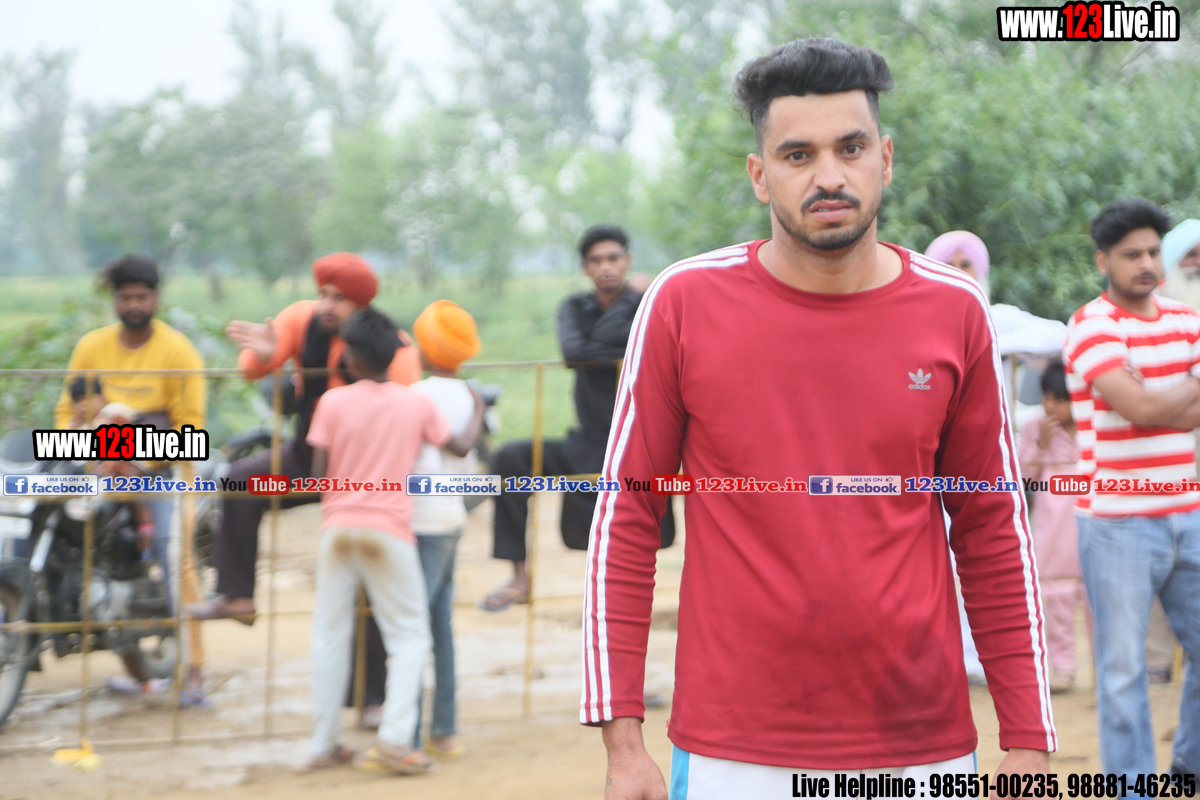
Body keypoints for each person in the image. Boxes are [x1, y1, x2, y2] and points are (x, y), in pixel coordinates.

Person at [584, 39, 1054, 799]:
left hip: (920, 744)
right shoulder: (683, 304)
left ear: (885, 160)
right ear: (759, 175)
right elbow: (627, 514)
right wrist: (622, 738)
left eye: (851, 148)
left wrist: (1029, 738)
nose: (829, 176)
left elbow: (991, 524)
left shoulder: (954, 310)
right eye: (798, 154)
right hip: (735, 749)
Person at [188, 252, 421, 622]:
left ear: (362, 305)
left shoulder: (396, 348)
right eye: (323, 294)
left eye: (339, 298)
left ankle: (371, 648)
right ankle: (237, 596)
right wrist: (265, 357)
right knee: (238, 482)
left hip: (363, 476)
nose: (326, 305)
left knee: (365, 570)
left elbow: (405, 422)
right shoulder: (301, 318)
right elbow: (251, 369)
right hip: (307, 463)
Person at [304, 307, 483, 773]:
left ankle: (323, 743)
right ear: (395, 355)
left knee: (330, 634)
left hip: (336, 527)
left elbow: (318, 475)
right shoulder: (413, 403)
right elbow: (459, 447)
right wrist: (479, 409)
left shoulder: (332, 402)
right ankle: (394, 739)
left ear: (349, 356)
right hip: (389, 530)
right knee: (409, 635)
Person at [1063, 197, 1200, 780]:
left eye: (1152, 252)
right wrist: (1181, 390)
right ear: (1104, 261)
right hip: (1117, 521)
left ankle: (1188, 771)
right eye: (1130, 255)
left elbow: (1145, 407)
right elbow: (1137, 409)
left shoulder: (1186, 319)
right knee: (1122, 673)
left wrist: (1151, 399)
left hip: (1189, 512)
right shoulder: (1092, 325)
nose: (1146, 264)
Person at [481, 225, 675, 611]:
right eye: (596, 260)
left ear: (627, 261)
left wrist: (627, 308)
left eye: (614, 258)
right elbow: (573, 352)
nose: (606, 267)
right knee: (509, 459)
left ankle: (710, 581)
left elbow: (650, 348)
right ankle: (518, 577)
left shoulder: (650, 303)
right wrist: (628, 309)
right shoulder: (576, 307)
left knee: (710, 473)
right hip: (587, 440)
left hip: (642, 440)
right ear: (585, 267)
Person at [53, 254, 207, 701]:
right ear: (115, 300)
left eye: (141, 296)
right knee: (74, 545)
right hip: (99, 467)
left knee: (176, 557)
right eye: (125, 297)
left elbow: (191, 429)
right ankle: (137, 671)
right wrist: (92, 450)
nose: (134, 304)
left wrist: (137, 458)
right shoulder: (92, 347)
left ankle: (195, 669)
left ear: (155, 298)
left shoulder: (178, 351)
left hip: (160, 473)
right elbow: (66, 413)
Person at [924, 231, 1068, 685]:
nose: (960, 272)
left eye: (967, 264)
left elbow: (1059, 335)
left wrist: (991, 341)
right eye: (950, 263)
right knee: (937, 559)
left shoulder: (998, 318)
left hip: (989, 462)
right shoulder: (918, 321)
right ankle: (951, 659)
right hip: (929, 464)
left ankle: (986, 660)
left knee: (989, 554)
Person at [408, 300, 482, 758]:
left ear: (427, 349)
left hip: (422, 520)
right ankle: (445, 730)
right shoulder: (469, 396)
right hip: (453, 517)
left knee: (412, 628)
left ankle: (408, 734)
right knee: (441, 628)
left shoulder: (417, 394)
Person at [1018, 360, 1089, 694]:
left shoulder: (1095, 423)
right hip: (1053, 527)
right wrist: (1041, 445)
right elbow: (1022, 477)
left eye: (1058, 399)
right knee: (1056, 599)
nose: (1050, 405)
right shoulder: (1035, 426)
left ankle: (1104, 673)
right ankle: (1062, 669)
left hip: (1091, 522)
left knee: (1098, 600)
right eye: (1046, 397)